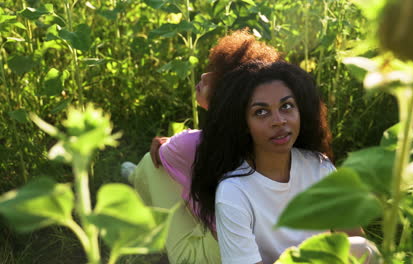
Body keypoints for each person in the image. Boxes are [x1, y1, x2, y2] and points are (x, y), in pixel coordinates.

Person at [191, 61, 379, 264]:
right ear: (244, 124)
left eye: (286, 106)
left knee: (363, 248)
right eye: (261, 112)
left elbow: (353, 237)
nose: (279, 121)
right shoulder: (233, 192)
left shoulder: (319, 167)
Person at [121, 29, 282, 264]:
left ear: (228, 96)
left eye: (216, 75)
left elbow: (168, 154)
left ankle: (137, 201)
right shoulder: (270, 139)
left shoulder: (189, 144)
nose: (205, 75)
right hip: (269, 242)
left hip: (217, 253)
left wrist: (171, 144)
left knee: (152, 163)